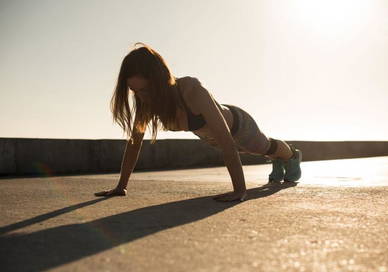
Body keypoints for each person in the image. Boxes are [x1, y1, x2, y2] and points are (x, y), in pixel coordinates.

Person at [94, 42, 302, 202]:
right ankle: (277, 158)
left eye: (145, 90)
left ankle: (292, 155)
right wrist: (122, 186)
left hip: (238, 127)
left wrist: (239, 190)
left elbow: (226, 140)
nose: (141, 97)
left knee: (263, 147)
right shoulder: (147, 103)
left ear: (158, 80)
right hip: (213, 138)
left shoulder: (192, 91)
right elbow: (134, 143)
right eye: (134, 91)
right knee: (255, 151)